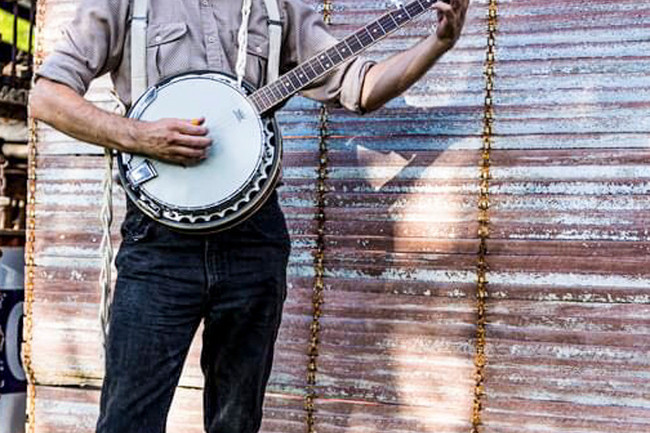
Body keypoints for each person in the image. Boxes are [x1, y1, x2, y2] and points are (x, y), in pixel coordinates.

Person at [29, 0, 468, 432]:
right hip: (159, 241)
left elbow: (361, 87)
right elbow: (47, 97)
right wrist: (138, 136)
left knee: (236, 420)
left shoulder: (278, 6)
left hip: (254, 237)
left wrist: (437, 43)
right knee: (130, 417)